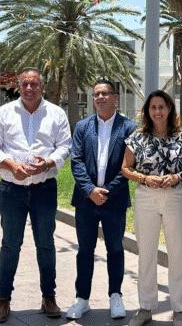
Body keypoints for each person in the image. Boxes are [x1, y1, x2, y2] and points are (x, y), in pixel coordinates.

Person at [0, 67, 72, 323]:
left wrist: (48, 164)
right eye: (25, 84)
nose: (29, 89)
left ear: (42, 87)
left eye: (34, 84)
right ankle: (3, 299)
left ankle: (49, 296)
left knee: (46, 244)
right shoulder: (4, 113)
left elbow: (65, 146)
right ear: (19, 87)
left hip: (44, 190)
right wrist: (11, 165)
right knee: (10, 245)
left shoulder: (56, 113)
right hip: (12, 191)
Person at [121, 90, 182, 326]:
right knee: (146, 255)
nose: (157, 111)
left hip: (175, 197)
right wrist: (145, 179)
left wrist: (178, 177)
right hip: (146, 197)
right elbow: (126, 168)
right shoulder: (137, 137)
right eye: (153, 107)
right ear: (147, 111)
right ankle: (145, 308)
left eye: (161, 107)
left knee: (177, 254)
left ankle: (179, 310)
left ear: (170, 108)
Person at [66, 79, 137, 320]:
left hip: (114, 201)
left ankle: (115, 296)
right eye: (96, 94)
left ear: (115, 97)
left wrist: (106, 191)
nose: (100, 98)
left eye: (105, 93)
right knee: (85, 250)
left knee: (115, 249)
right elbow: (76, 161)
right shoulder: (82, 126)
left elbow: (129, 166)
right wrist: (90, 190)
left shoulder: (129, 127)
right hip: (85, 201)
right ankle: (82, 299)